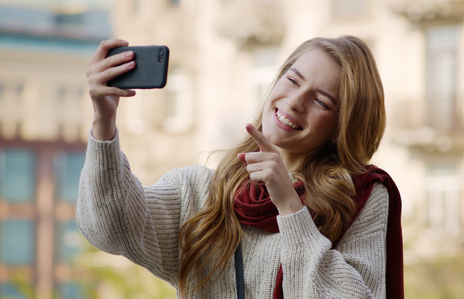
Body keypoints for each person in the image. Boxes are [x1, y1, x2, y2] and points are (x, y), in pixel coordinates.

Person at [77, 35, 404, 298]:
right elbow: (110, 228)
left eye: (321, 101)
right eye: (292, 80)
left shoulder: (360, 198)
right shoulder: (200, 192)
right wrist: (103, 121)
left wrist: (290, 207)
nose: (294, 101)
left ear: (342, 126)